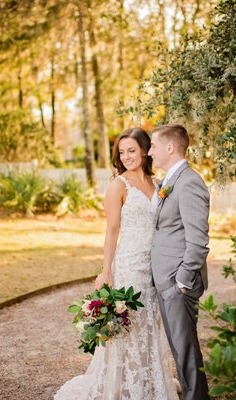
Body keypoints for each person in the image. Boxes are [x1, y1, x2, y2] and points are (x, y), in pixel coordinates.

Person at [54, 127, 179, 400]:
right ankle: (122, 386)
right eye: (121, 152)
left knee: (151, 322)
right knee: (130, 325)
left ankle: (150, 382)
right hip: (130, 265)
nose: (126, 157)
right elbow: (111, 231)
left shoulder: (159, 183)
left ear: (145, 150)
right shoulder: (118, 186)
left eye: (131, 150)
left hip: (155, 267)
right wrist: (106, 271)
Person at [148, 124, 211, 400]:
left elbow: (198, 240)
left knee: (186, 350)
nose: (149, 152)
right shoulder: (170, 180)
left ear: (170, 147)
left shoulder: (189, 182)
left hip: (178, 281)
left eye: (153, 146)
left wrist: (182, 281)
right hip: (167, 279)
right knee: (179, 348)